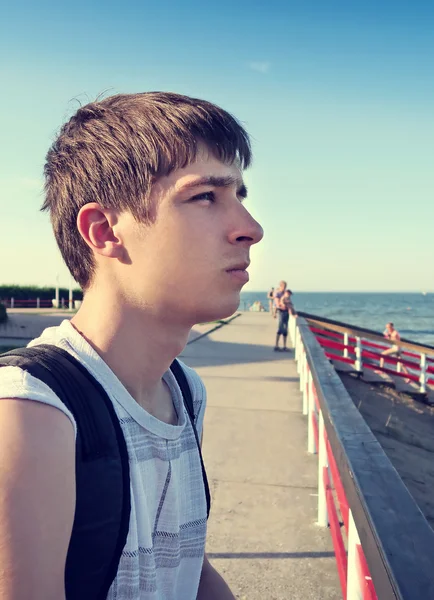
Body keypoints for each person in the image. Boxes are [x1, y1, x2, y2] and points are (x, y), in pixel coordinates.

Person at [0, 92, 263, 600]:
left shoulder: (184, 391)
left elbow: (190, 568)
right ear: (104, 231)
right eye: (205, 196)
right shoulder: (32, 414)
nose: (250, 229)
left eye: (240, 196)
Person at [274, 288, 294, 352]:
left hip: (286, 313)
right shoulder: (281, 297)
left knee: (285, 330)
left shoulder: (287, 299)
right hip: (281, 313)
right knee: (280, 329)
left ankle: (284, 346)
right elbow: (279, 305)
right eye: (289, 294)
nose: (289, 296)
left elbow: (290, 306)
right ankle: (276, 346)